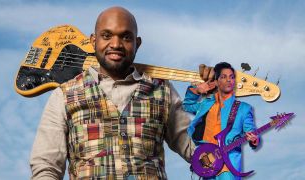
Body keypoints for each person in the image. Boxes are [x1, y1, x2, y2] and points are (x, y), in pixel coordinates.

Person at [30, 6, 210, 179]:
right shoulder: (64, 95)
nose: (115, 44)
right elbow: (46, 167)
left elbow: (199, 154)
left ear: (137, 43)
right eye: (106, 35)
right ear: (93, 41)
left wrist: (215, 103)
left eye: (125, 37)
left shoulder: (162, 91)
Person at [183, 62, 259, 180]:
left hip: (228, 166)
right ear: (217, 82)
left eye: (231, 77)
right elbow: (187, 105)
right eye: (224, 77)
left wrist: (254, 139)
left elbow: (251, 131)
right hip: (208, 161)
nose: (229, 80)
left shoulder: (244, 108)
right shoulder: (206, 104)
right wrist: (197, 90)